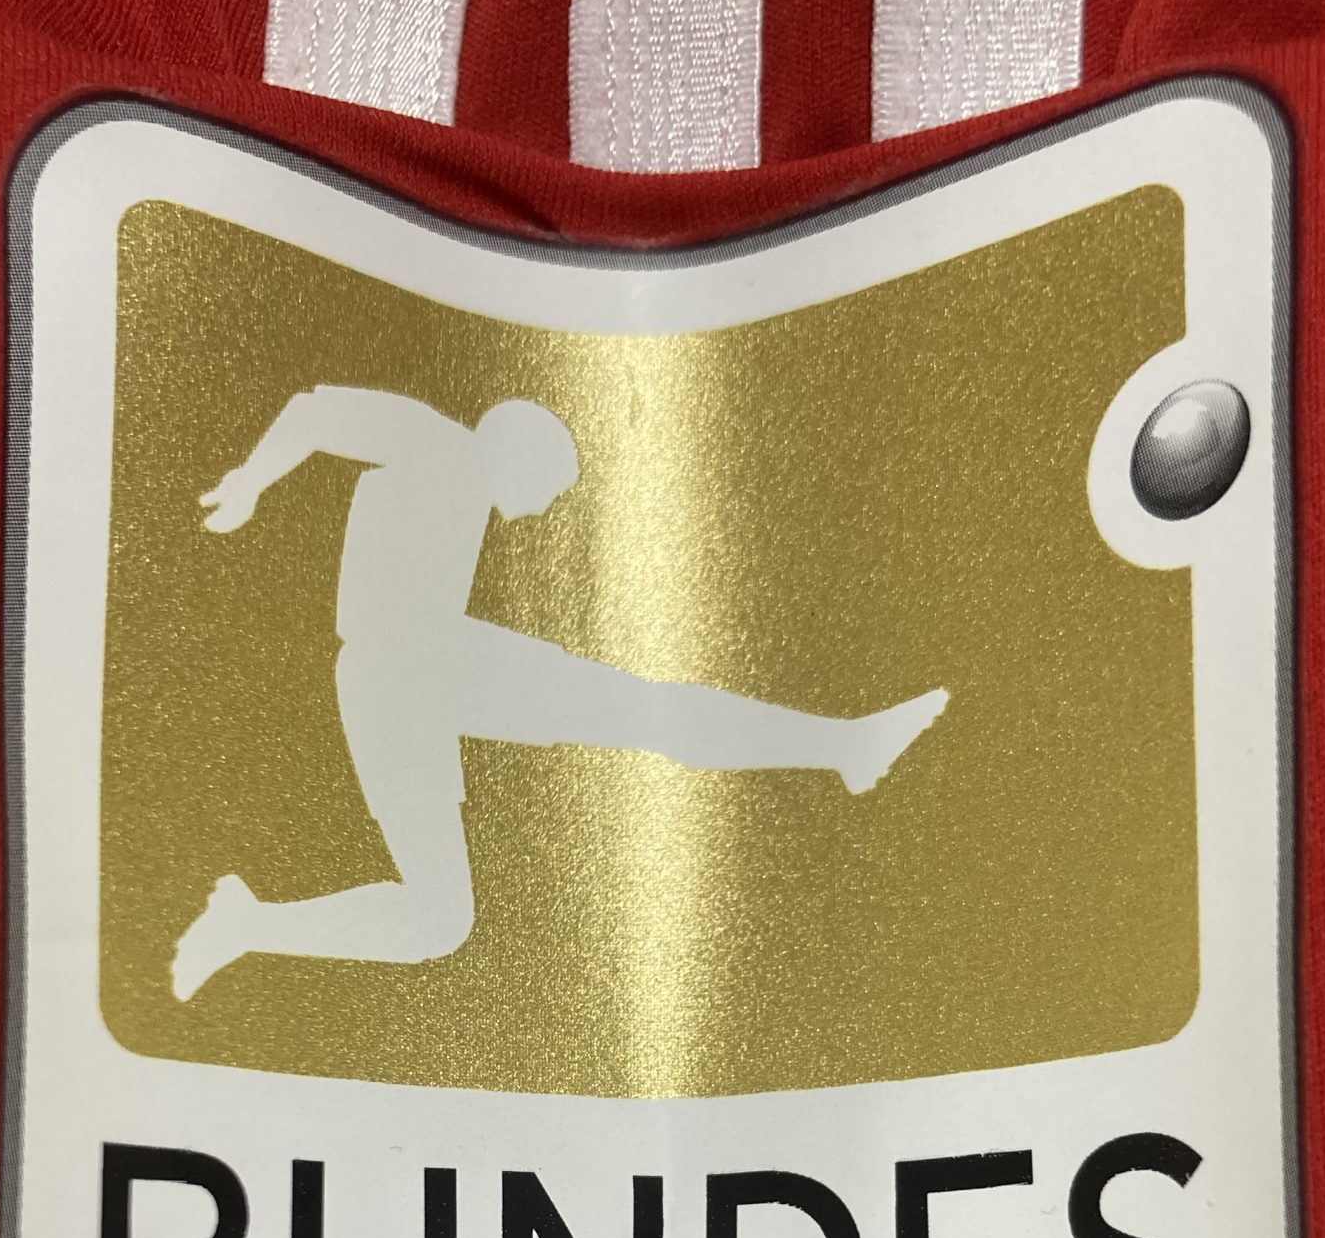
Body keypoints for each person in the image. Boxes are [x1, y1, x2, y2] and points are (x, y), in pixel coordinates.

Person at [173, 387, 947, 995]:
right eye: (550, 485)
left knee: (446, 911)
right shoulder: (435, 442)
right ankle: (842, 746)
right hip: (418, 665)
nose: (545, 507)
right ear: (520, 454)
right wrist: (249, 481)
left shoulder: (454, 472)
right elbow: (314, 412)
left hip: (409, 675)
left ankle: (246, 926)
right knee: (637, 723)